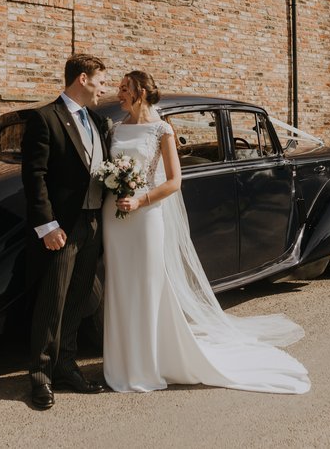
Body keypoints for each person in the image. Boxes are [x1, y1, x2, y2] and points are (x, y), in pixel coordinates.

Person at [102, 70, 310, 394]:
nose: (119, 93)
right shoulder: (115, 130)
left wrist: (140, 199)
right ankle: (121, 362)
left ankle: (149, 361)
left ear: (140, 91)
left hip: (145, 215)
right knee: (120, 285)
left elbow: (174, 181)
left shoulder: (162, 130)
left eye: (124, 88)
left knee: (147, 284)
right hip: (115, 219)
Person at [20, 53, 110, 410]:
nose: (103, 88)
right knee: (52, 301)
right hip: (62, 228)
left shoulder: (98, 121)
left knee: (78, 297)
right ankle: (40, 376)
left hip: (92, 222)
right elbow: (34, 176)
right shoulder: (45, 118)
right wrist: (47, 225)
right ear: (83, 79)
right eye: (101, 81)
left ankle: (65, 365)